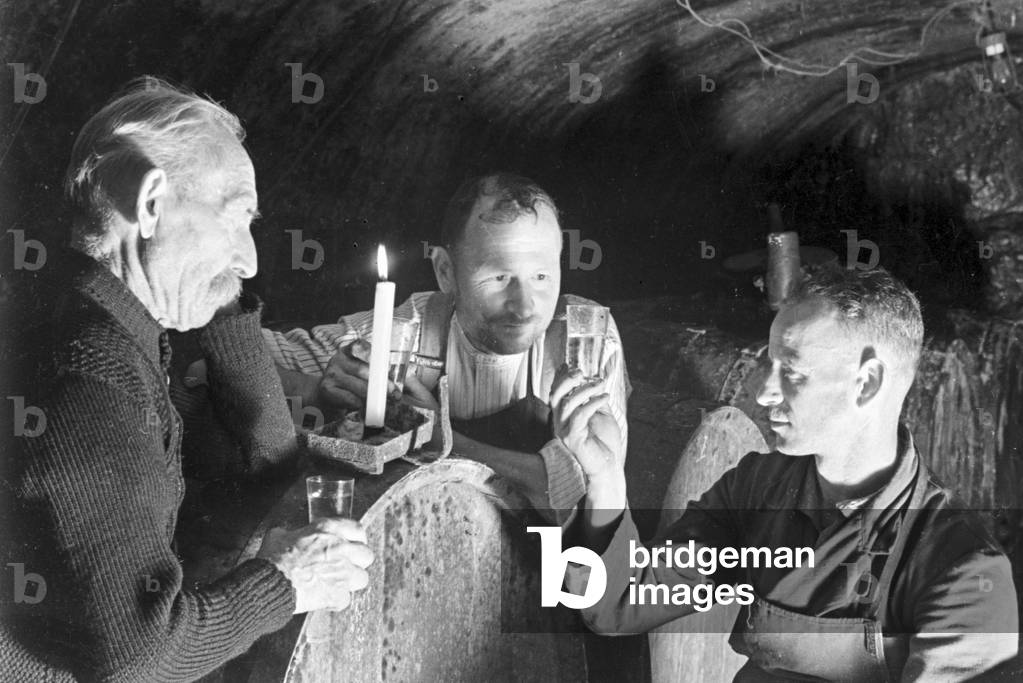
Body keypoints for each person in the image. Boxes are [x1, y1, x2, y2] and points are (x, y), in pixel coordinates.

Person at [0, 78, 373, 681]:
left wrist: (223, 308)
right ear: (151, 204)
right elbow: (140, 656)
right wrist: (287, 581)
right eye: (237, 220)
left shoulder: (106, 324)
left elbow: (269, 465)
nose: (251, 260)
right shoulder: (92, 375)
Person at [561, 264, 1019, 680]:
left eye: (792, 372)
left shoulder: (963, 572)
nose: (763, 394)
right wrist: (605, 479)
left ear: (868, 383)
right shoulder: (759, 487)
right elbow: (618, 603)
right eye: (769, 364)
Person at [263, 173, 630, 522]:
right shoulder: (406, 332)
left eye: (541, 276)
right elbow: (247, 355)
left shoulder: (585, 342)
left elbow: (578, 498)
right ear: (445, 271)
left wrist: (434, 435)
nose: (524, 306)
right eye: (500, 277)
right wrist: (320, 392)